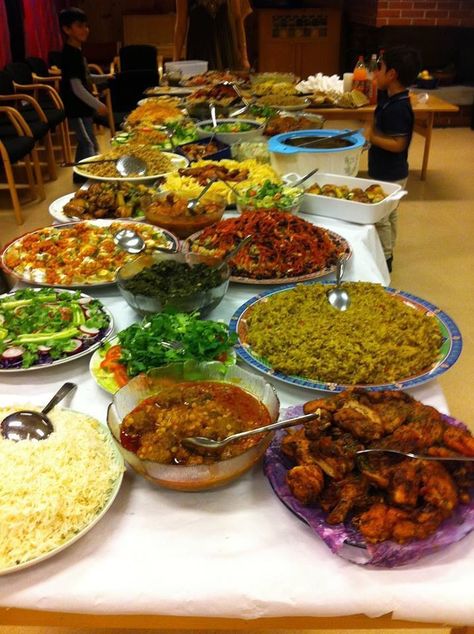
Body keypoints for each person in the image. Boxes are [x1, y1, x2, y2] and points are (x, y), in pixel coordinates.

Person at [365, 45, 421, 272]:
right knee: (390, 212)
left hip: (391, 174)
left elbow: (399, 145)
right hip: (387, 171)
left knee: (381, 216)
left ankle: (385, 259)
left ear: (392, 74)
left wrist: (371, 137)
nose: (375, 73)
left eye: (380, 68)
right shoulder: (389, 98)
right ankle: (388, 250)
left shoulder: (399, 108)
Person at [58, 7, 109, 178]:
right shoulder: (69, 55)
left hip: (83, 107)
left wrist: (107, 77)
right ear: (66, 29)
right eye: (79, 26)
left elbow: (86, 77)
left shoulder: (78, 51)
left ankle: (78, 176)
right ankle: (91, 181)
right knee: (89, 144)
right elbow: (77, 87)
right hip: (76, 107)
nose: (85, 30)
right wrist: (98, 104)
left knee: (84, 140)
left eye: (86, 26)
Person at [174, 0, 252, 71]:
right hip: (198, 50)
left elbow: (238, 19)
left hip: (225, 46)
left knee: (227, 83)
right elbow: (180, 27)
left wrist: (244, 57)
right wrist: (175, 62)